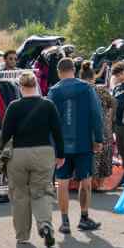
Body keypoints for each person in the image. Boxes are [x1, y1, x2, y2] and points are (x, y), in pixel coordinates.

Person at [0, 73, 64, 247]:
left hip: (18, 154)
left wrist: (0, 157)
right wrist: (60, 155)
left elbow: (5, 134)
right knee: (42, 191)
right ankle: (44, 224)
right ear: (36, 85)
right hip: (44, 152)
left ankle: (22, 235)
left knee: (19, 194)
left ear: (20, 87)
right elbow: (57, 131)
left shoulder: (14, 106)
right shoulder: (48, 105)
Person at [47, 58, 104, 234]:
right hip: (84, 142)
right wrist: (99, 139)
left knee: (62, 183)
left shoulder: (53, 91)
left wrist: (51, 145)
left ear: (59, 72)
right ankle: (84, 218)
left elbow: (49, 121)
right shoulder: (86, 88)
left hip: (61, 146)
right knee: (85, 182)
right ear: (74, 69)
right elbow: (96, 114)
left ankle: (65, 222)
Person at [82, 61, 115, 182]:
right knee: (103, 155)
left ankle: (87, 182)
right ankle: (99, 184)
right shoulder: (102, 91)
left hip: (85, 129)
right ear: (93, 78)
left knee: (87, 156)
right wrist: (109, 121)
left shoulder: (79, 91)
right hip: (103, 127)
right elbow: (112, 106)